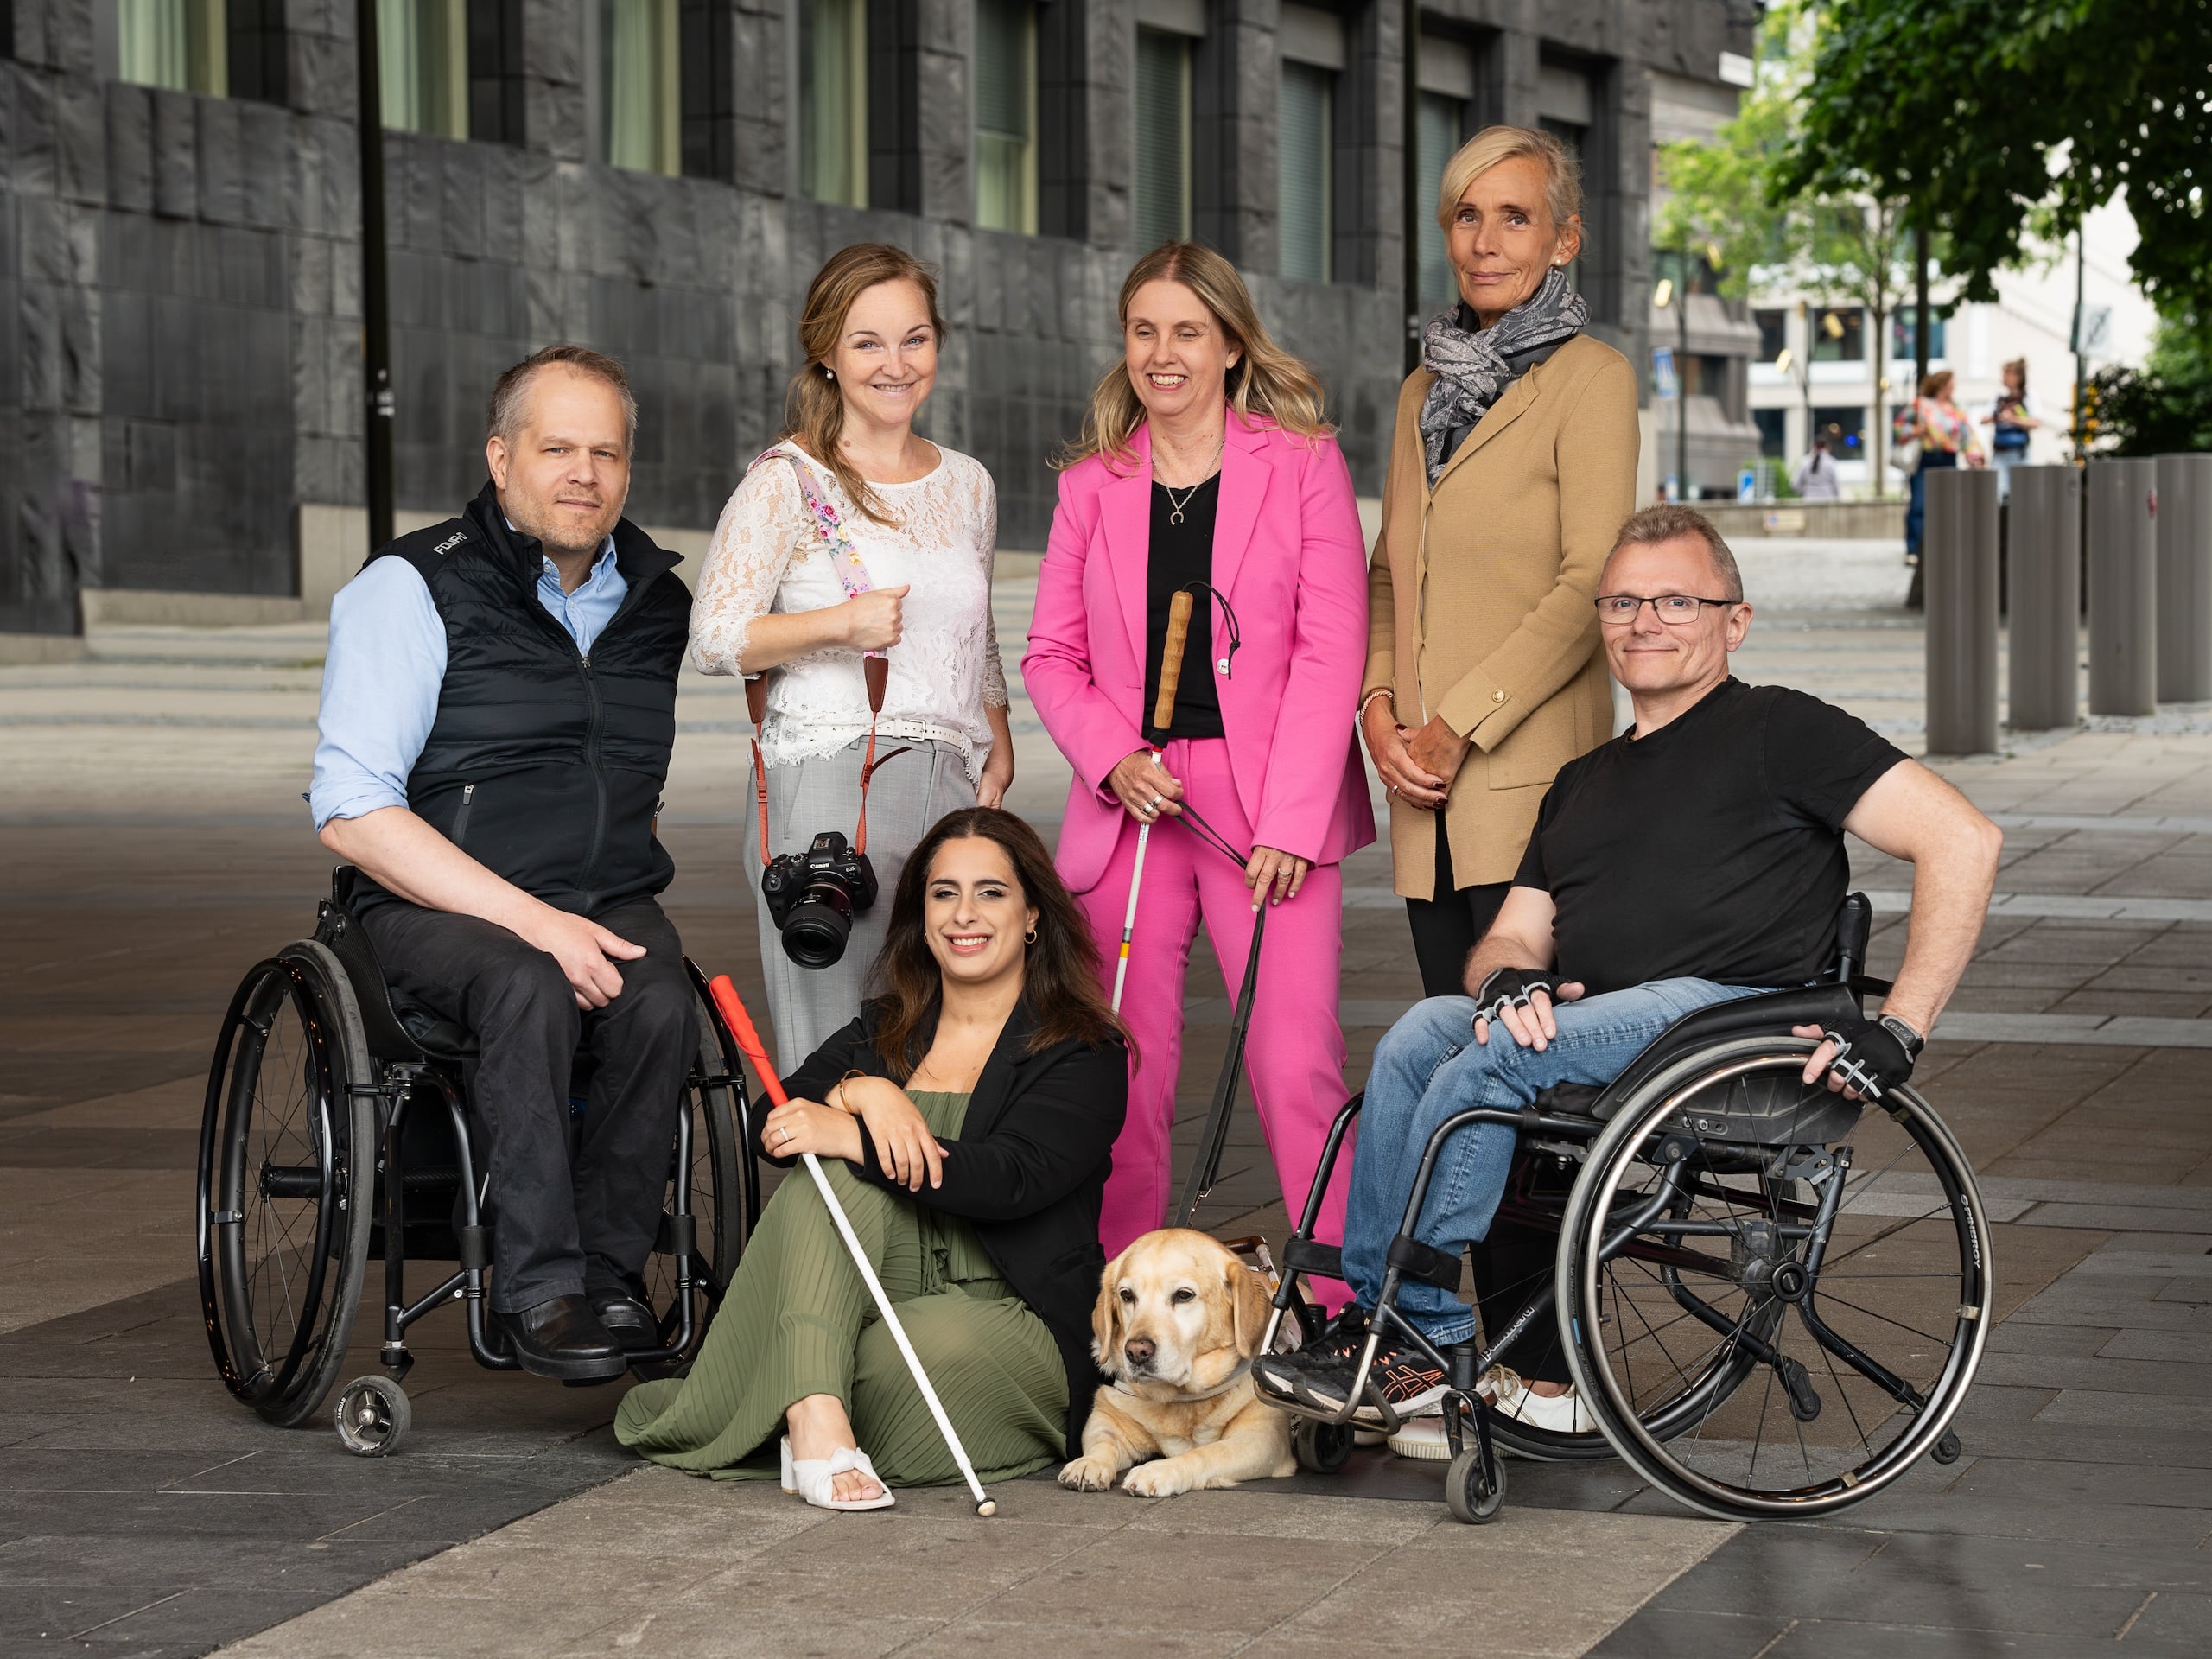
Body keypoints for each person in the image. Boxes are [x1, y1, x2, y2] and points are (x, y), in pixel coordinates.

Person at [1258, 504, 2003, 1431]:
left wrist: (1902, 1027)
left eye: (1675, 600)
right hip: (1608, 1022)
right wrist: (1505, 980)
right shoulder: (1581, 782)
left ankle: (1405, 1333)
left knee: (1501, 1060)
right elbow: (1512, 937)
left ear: (1735, 621)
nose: (1643, 620)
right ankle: (1391, 1328)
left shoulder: (1782, 730)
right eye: (1621, 602)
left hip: (1734, 1019)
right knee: (1422, 1035)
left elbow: (1963, 840)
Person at [310, 346, 697, 1382]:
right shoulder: (412, 584)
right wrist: (535, 921)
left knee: (663, 1005)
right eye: (556, 447)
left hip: (607, 894)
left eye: (605, 452)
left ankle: (611, 1279)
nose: (584, 473)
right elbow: (351, 813)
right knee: (528, 985)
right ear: (500, 457)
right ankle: (542, 1290)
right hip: (423, 903)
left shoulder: (659, 603)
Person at [1022, 242, 1373, 1277]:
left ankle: (1334, 1302)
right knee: (1123, 1068)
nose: (1161, 354)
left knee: (1292, 1061)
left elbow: (1330, 648)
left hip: (1269, 808)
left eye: (1186, 332)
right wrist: (1109, 756)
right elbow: (1051, 654)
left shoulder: (1303, 464)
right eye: (1143, 331)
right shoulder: (1092, 486)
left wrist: (1293, 823)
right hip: (1133, 803)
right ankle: (1122, 1294)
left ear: (1228, 345)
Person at [1357, 124, 1637, 1415]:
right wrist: (1375, 707)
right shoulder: (1420, 390)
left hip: (1528, 795)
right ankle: (1442, 1347)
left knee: (1529, 1081)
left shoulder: (1593, 380)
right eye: (1466, 216)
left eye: (1514, 217)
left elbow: (1591, 586)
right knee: (1450, 1075)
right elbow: (1387, 576)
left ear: (1564, 238)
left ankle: (1545, 1367)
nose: (1484, 240)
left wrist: (1456, 721)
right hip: (1423, 804)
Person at [615, 808, 1128, 1509]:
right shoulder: (884, 1028)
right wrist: (866, 1090)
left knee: (900, 1364)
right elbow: (777, 1118)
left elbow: (1011, 1180)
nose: (963, 914)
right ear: (921, 915)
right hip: (878, 1281)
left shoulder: (1082, 1049)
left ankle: (798, 1392)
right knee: (822, 1175)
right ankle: (819, 1417)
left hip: (1010, 1304)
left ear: (1033, 914)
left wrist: (852, 1132)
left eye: (991, 892)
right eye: (943, 893)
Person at [690, 244, 1014, 1070]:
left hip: (953, 784)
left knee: (944, 1049)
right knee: (845, 1051)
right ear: (827, 354)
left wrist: (997, 741)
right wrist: (838, 625)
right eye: (868, 342)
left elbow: (977, 637)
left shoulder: (968, 483)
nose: (895, 364)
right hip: (833, 784)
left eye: (914, 339)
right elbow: (714, 636)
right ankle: (830, 1201)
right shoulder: (788, 481)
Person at [1897, 369, 1986, 564]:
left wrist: (1974, 455)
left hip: (1948, 458)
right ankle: (1914, 550)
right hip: (1925, 458)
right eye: (1951, 383)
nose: (1954, 387)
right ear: (1941, 385)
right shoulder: (1920, 405)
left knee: (1949, 505)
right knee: (1919, 504)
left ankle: (1945, 548)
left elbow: (1966, 436)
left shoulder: (1955, 410)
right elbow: (1899, 427)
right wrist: (1914, 430)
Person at [1983, 358, 2041, 501]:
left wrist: (2012, 419)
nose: (2004, 377)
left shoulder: (2028, 397)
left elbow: (2036, 422)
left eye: (2008, 374)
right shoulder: (1998, 398)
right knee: (1998, 494)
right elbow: (1983, 419)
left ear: (2018, 377)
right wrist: (1998, 416)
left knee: (2022, 494)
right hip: (2000, 452)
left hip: (2019, 453)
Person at [1791, 435, 1841, 500]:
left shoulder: (1804, 462)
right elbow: (1836, 484)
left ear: (1813, 446)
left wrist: (1804, 492)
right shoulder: (1830, 462)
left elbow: (1795, 484)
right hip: (1828, 501)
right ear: (1827, 447)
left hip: (1809, 500)